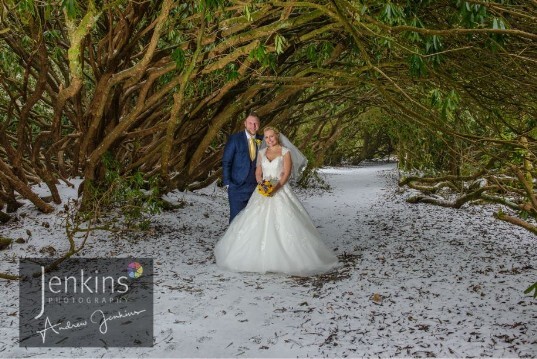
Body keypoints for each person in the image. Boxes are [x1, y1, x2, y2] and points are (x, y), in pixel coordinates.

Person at [215, 126, 339, 276]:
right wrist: (261, 183)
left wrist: (276, 187)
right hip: (263, 191)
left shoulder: (285, 152)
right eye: (266, 137)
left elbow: (286, 173)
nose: (269, 140)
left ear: (277, 136)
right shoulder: (262, 152)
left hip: (280, 190)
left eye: (271, 137)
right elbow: (258, 172)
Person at [222, 112, 264, 223]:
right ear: (245, 123)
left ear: (259, 125)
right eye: (250, 123)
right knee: (236, 220)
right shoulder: (235, 139)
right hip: (237, 187)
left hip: (257, 188)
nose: (253, 126)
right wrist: (228, 183)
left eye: (255, 123)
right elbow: (227, 161)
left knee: (254, 221)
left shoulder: (264, 140)